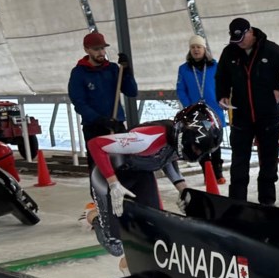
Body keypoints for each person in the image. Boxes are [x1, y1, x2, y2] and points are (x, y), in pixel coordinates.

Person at [85, 103, 222, 259]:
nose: (198, 153)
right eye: (197, 149)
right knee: (115, 246)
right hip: (106, 176)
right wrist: (113, 183)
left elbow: (167, 158)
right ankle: (93, 216)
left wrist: (183, 189)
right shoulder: (146, 139)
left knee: (155, 228)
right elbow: (95, 145)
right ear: (186, 135)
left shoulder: (178, 141)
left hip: (141, 173)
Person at [215, 17, 279, 205]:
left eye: (242, 39)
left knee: (269, 163)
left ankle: (267, 203)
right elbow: (221, 77)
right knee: (239, 162)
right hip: (241, 116)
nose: (239, 44)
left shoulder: (271, 50)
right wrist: (222, 94)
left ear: (250, 32)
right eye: (235, 41)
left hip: (268, 116)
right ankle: (237, 204)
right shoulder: (229, 53)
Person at [68, 31, 138, 163]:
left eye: (102, 48)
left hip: (117, 125)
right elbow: (79, 103)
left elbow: (132, 92)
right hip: (94, 128)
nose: (101, 52)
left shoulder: (112, 69)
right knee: (99, 168)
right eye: (96, 49)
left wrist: (127, 70)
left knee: (124, 166)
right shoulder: (79, 73)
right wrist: (100, 120)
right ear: (86, 49)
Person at [174, 34, 226, 184]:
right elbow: (181, 89)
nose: (196, 50)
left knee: (215, 141)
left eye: (198, 47)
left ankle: (218, 173)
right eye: (193, 47)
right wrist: (189, 106)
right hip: (196, 113)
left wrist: (222, 98)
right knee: (200, 142)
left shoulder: (215, 66)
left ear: (204, 49)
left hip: (214, 111)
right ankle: (207, 174)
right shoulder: (184, 69)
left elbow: (223, 85)